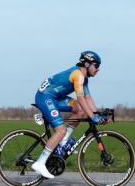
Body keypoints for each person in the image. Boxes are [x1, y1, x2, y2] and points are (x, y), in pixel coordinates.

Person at [32, 51, 107, 179]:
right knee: (60, 130)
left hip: (56, 97)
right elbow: (82, 99)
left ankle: (63, 142)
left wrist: (98, 114)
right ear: (87, 64)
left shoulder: (84, 79)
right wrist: (93, 117)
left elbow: (88, 98)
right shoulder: (78, 75)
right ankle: (40, 163)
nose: (98, 69)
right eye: (96, 65)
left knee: (81, 111)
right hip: (45, 97)